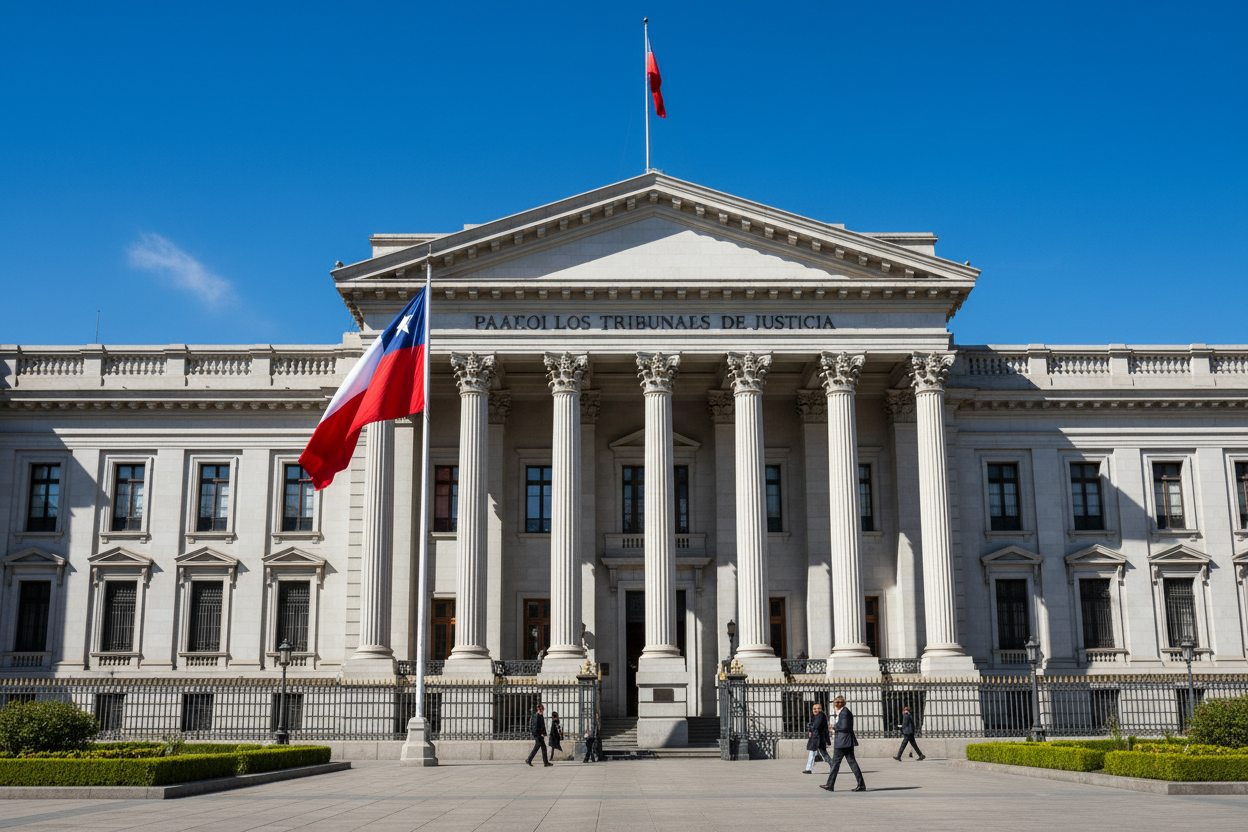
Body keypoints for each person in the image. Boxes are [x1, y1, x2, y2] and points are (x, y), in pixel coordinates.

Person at [819, 696, 866, 792]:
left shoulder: (844, 713)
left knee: (835, 763)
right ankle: (861, 785)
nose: (835, 705)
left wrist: (834, 727)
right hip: (846, 741)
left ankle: (830, 784)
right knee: (852, 763)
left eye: (836, 703)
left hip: (843, 742)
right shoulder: (844, 712)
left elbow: (844, 727)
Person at [802, 701, 832, 774]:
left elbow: (816, 727)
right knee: (816, 753)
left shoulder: (820, 716)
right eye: (814, 709)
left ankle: (833, 766)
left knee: (817, 753)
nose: (816, 710)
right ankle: (808, 769)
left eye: (818, 708)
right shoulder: (817, 716)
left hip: (818, 738)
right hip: (816, 738)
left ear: (821, 709)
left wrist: (810, 726)